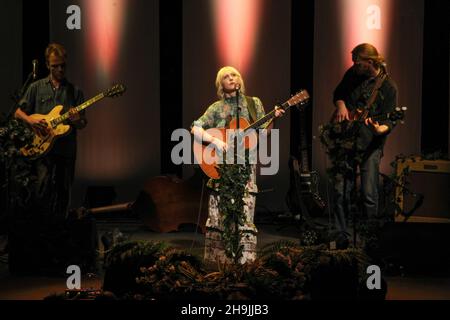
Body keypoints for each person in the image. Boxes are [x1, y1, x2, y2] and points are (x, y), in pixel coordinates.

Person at [191, 66, 284, 265]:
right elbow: (195, 128)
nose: (231, 78)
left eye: (234, 74)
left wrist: (274, 119)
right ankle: (219, 263)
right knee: (220, 213)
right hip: (221, 166)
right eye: (226, 76)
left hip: (245, 165)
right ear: (220, 84)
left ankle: (244, 261)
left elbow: (264, 133)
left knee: (244, 212)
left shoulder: (253, 103)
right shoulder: (216, 108)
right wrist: (216, 141)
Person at [331, 43, 398, 249]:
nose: (354, 65)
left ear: (370, 62)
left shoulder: (388, 87)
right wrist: (341, 105)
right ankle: (341, 236)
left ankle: (370, 239)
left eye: (357, 62)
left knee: (369, 193)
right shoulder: (352, 74)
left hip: (370, 145)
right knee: (341, 189)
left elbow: (391, 119)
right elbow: (338, 94)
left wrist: (382, 129)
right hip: (347, 140)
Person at [14, 43, 87, 221]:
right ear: (47, 65)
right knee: (41, 188)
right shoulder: (36, 87)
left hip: (65, 149)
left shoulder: (75, 91)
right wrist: (30, 120)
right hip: (42, 148)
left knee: (63, 191)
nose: (60, 69)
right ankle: (42, 229)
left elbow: (83, 123)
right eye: (55, 66)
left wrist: (77, 120)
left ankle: (61, 230)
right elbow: (17, 112)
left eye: (63, 65)